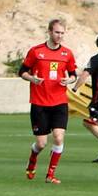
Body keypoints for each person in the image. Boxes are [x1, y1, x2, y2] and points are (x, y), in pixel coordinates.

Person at [20, 19, 77, 184]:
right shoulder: (36, 52)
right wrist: (32, 79)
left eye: (62, 33)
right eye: (57, 32)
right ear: (50, 32)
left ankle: (50, 174)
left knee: (59, 137)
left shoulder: (67, 54)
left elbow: (73, 74)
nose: (59, 36)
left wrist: (69, 81)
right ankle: (32, 160)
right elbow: (22, 71)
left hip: (59, 102)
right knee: (41, 143)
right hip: (39, 103)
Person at [73, 33, 98, 163]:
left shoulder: (96, 59)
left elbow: (84, 75)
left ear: (97, 44)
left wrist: (75, 88)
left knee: (89, 122)